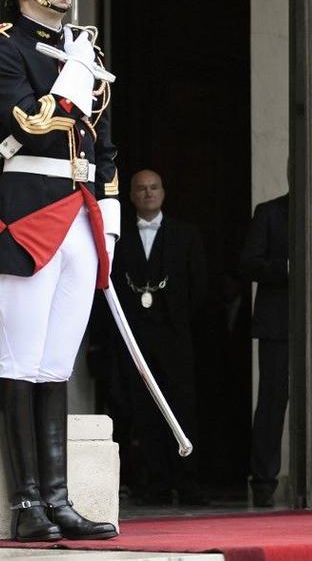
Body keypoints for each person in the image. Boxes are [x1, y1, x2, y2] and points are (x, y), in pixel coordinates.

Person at [0, 0, 119, 542]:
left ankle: (58, 498)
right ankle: (26, 505)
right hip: (25, 215)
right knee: (18, 360)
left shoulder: (82, 48)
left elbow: (105, 143)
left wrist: (113, 214)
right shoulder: (6, 46)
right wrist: (75, 75)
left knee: (56, 364)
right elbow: (19, 123)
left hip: (80, 214)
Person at [111, 169, 208, 506]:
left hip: (175, 338)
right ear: (132, 195)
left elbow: (199, 289)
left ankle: (188, 480)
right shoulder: (118, 238)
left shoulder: (186, 235)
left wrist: (177, 322)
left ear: (163, 193)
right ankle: (155, 483)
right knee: (143, 410)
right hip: (136, 340)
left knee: (183, 408)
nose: (148, 193)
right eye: (141, 189)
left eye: (154, 188)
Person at [240, 192, 289, 508]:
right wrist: (288, 268)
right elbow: (249, 263)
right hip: (278, 325)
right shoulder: (269, 212)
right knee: (271, 405)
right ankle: (263, 484)